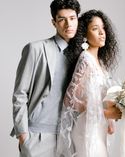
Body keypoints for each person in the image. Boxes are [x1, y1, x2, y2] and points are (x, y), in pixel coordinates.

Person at [10, 0, 81, 156]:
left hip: (69, 136)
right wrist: (23, 134)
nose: (68, 24)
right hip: (38, 136)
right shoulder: (36, 49)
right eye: (62, 19)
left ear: (78, 19)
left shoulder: (82, 56)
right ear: (54, 22)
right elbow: (20, 93)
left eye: (72, 18)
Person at [57, 9, 121, 157]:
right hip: (86, 129)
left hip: (98, 127)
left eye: (103, 28)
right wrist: (102, 112)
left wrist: (111, 116)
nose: (101, 32)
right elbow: (69, 100)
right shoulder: (85, 59)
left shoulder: (100, 63)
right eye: (95, 28)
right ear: (85, 35)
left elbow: (101, 97)